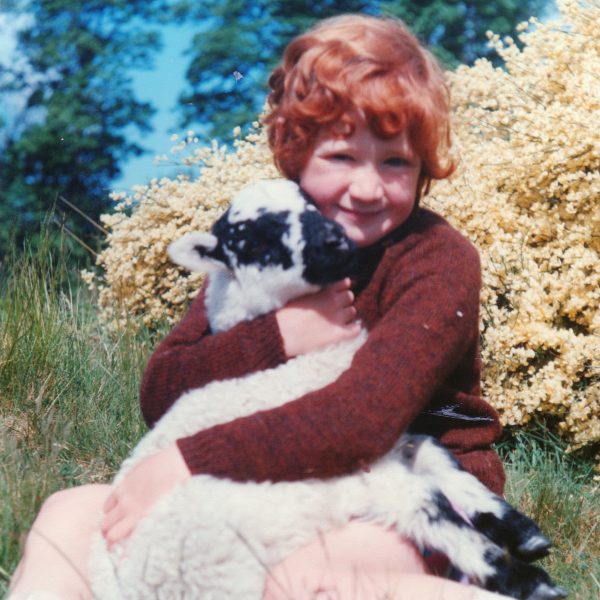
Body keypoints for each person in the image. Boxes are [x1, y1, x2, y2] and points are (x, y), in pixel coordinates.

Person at [8, 14, 510, 600]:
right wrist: (277, 336)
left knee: (301, 577)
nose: (369, 188)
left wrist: (189, 462)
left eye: (395, 162)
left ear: (423, 166)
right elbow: (163, 390)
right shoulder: (265, 238)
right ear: (296, 154)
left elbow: (361, 423)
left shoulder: (437, 259)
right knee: (69, 517)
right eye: (343, 157)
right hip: (272, 481)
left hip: (417, 490)